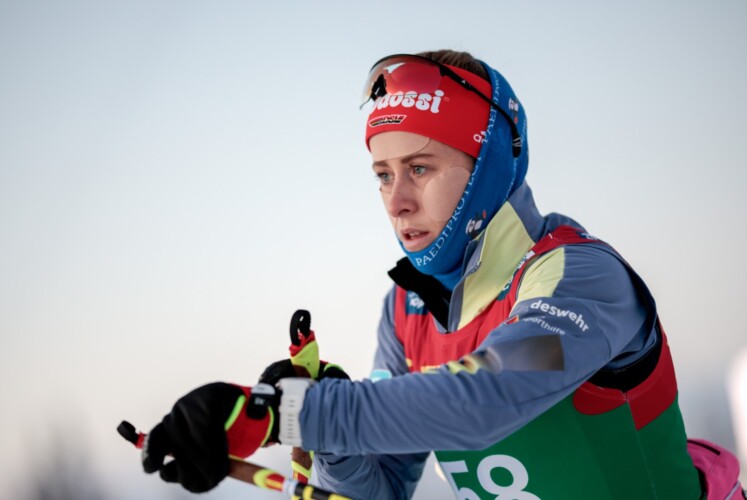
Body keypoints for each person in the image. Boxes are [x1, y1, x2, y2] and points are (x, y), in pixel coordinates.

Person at [138, 50, 744, 499]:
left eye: (420, 168)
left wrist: (292, 410)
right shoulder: (408, 310)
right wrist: (331, 439)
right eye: (382, 175)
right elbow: (380, 489)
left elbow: (488, 393)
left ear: (487, 167)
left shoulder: (578, 279)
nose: (396, 201)